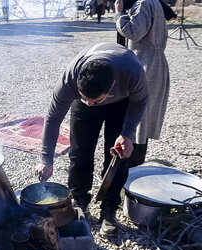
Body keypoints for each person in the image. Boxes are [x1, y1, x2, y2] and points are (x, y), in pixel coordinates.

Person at [35, 42, 148, 237]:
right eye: (85, 97)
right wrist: (46, 158)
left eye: (95, 101)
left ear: (112, 85)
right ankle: (79, 202)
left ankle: (109, 209)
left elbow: (140, 102)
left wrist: (127, 133)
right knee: (79, 152)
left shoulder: (132, 72)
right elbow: (53, 119)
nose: (90, 104)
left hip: (120, 105)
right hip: (86, 104)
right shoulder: (70, 79)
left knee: (118, 157)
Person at [115, 0, 174, 167]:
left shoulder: (144, 3)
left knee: (138, 113)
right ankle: (134, 162)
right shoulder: (153, 2)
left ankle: (131, 164)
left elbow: (134, 31)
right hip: (154, 62)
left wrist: (119, 13)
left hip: (146, 63)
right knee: (144, 116)